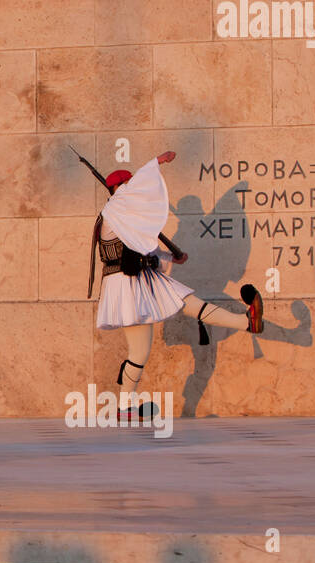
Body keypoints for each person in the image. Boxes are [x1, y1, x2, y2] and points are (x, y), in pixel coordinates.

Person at [87, 151, 264, 421]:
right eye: (130, 186)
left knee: (191, 302)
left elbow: (144, 252)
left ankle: (247, 323)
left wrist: (172, 258)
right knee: (139, 351)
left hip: (144, 280)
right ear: (121, 189)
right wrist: (155, 162)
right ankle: (124, 407)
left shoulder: (126, 216)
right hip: (126, 287)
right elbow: (133, 206)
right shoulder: (114, 212)